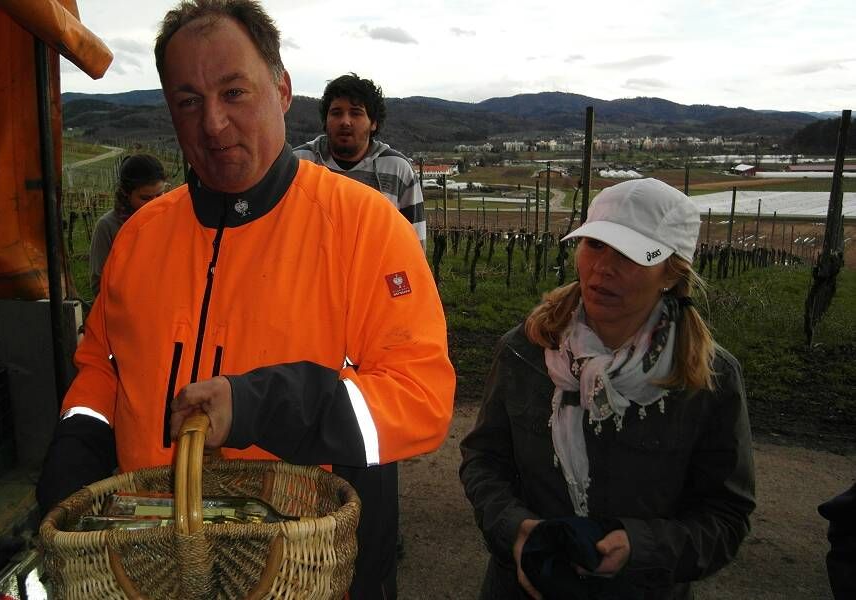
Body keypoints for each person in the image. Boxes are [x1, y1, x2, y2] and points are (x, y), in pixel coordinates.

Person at [36, 1, 456, 598]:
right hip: (151, 561)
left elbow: (421, 398)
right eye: (188, 101)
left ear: (282, 91)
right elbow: (101, 367)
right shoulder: (140, 236)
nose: (212, 123)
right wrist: (76, 450)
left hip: (305, 571)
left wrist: (263, 405)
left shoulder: (365, 227)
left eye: (234, 92)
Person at [460, 178, 755, 600]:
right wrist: (516, 529)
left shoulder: (708, 380)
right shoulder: (525, 351)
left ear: (672, 272)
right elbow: (484, 460)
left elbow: (725, 515)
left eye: (630, 254)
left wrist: (640, 548)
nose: (603, 268)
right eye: (594, 245)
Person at [293, 73, 427, 252]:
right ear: (325, 120)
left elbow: (415, 245)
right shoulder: (299, 162)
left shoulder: (398, 169)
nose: (345, 121)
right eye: (336, 113)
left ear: (374, 123)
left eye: (356, 113)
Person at [88, 153, 167, 295]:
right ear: (126, 193)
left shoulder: (171, 220)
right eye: (145, 198)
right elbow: (99, 285)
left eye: (160, 194)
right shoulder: (108, 227)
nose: (155, 203)